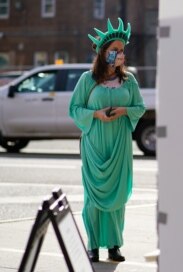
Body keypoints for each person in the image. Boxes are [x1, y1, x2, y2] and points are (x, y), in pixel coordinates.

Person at [69, 18, 146, 262]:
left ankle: (114, 245)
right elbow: (74, 109)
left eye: (122, 50)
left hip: (120, 143)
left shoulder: (129, 80)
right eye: (115, 51)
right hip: (94, 142)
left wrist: (123, 111)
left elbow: (139, 107)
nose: (120, 55)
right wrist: (96, 114)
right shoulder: (87, 80)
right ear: (104, 54)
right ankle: (93, 246)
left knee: (117, 196)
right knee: (93, 197)